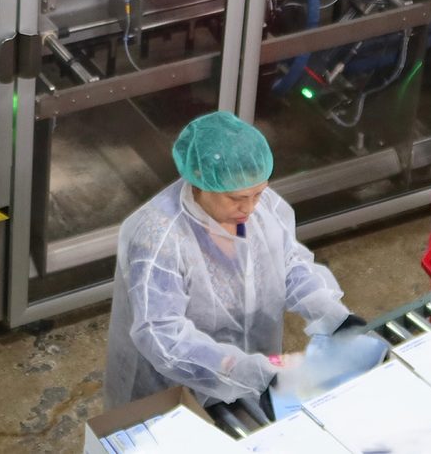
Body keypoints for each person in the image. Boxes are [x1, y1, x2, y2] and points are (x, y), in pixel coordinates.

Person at [104, 111, 360, 410]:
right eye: (236, 198)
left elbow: (289, 266)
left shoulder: (265, 208)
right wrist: (245, 370)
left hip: (253, 374)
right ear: (199, 179)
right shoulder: (158, 238)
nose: (249, 207)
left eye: (258, 193)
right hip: (173, 385)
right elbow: (163, 338)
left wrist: (330, 313)